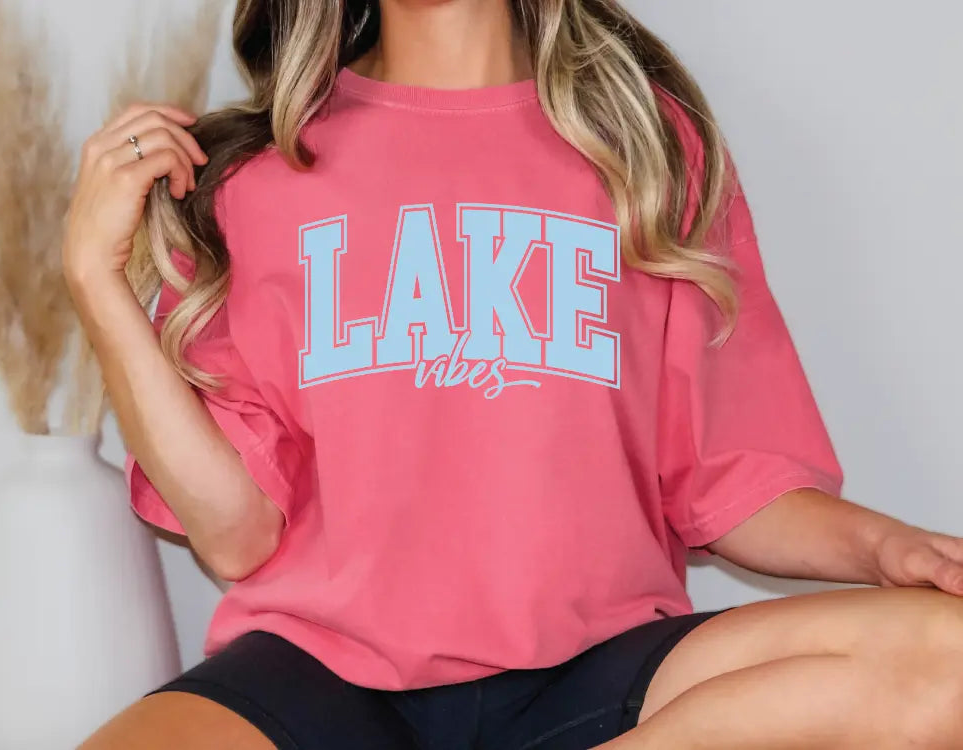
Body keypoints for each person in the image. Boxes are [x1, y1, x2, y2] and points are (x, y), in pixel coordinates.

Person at [64, 1, 963, 748]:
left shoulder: (644, 148)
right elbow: (233, 537)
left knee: (947, 660)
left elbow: (730, 484)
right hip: (326, 674)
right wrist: (96, 286)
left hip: (604, 672)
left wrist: (890, 549)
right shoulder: (254, 177)